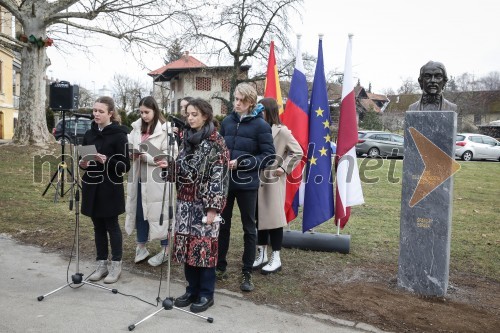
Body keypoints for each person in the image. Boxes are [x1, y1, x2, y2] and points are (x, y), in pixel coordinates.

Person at [160, 98, 229, 313]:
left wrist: (212, 208)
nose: (189, 118)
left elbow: (219, 178)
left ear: (205, 116)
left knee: (204, 248)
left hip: (204, 204)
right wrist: (168, 167)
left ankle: (206, 294)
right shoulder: (186, 139)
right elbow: (182, 171)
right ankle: (191, 290)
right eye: (187, 114)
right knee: (187, 247)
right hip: (184, 203)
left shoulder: (216, 142)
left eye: (194, 114)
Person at [216, 83, 275, 292]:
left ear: (251, 102)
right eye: (236, 99)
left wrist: (242, 162)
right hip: (225, 182)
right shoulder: (227, 122)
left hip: (247, 184)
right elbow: (220, 148)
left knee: (249, 228)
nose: (237, 103)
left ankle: (247, 271)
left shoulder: (261, 126)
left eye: (242, 100)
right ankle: (219, 266)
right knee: (222, 225)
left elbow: (269, 156)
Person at [79, 96, 130, 284]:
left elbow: (125, 166)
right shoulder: (89, 134)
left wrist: (106, 160)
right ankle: (101, 264)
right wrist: (83, 163)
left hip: (110, 187)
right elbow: (85, 163)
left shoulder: (119, 135)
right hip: (92, 186)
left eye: (101, 111)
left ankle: (116, 264)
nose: (96, 114)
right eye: (94, 111)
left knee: (111, 226)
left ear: (110, 113)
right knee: (97, 226)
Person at [124, 96, 178, 267]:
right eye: (141, 112)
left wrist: (146, 157)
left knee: (160, 213)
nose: (144, 115)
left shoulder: (166, 130)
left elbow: (171, 156)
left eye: (147, 112)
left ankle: (166, 249)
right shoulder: (135, 129)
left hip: (158, 179)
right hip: (139, 177)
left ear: (155, 110)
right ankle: (141, 246)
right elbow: (130, 148)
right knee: (140, 212)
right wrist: (131, 154)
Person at [252, 98, 303, 274]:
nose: (258, 113)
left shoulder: (282, 132)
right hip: (255, 180)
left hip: (273, 181)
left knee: (274, 220)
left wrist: (283, 167)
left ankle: (276, 257)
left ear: (268, 111)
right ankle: (261, 253)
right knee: (260, 218)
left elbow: (298, 151)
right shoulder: (256, 129)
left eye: (261, 110)